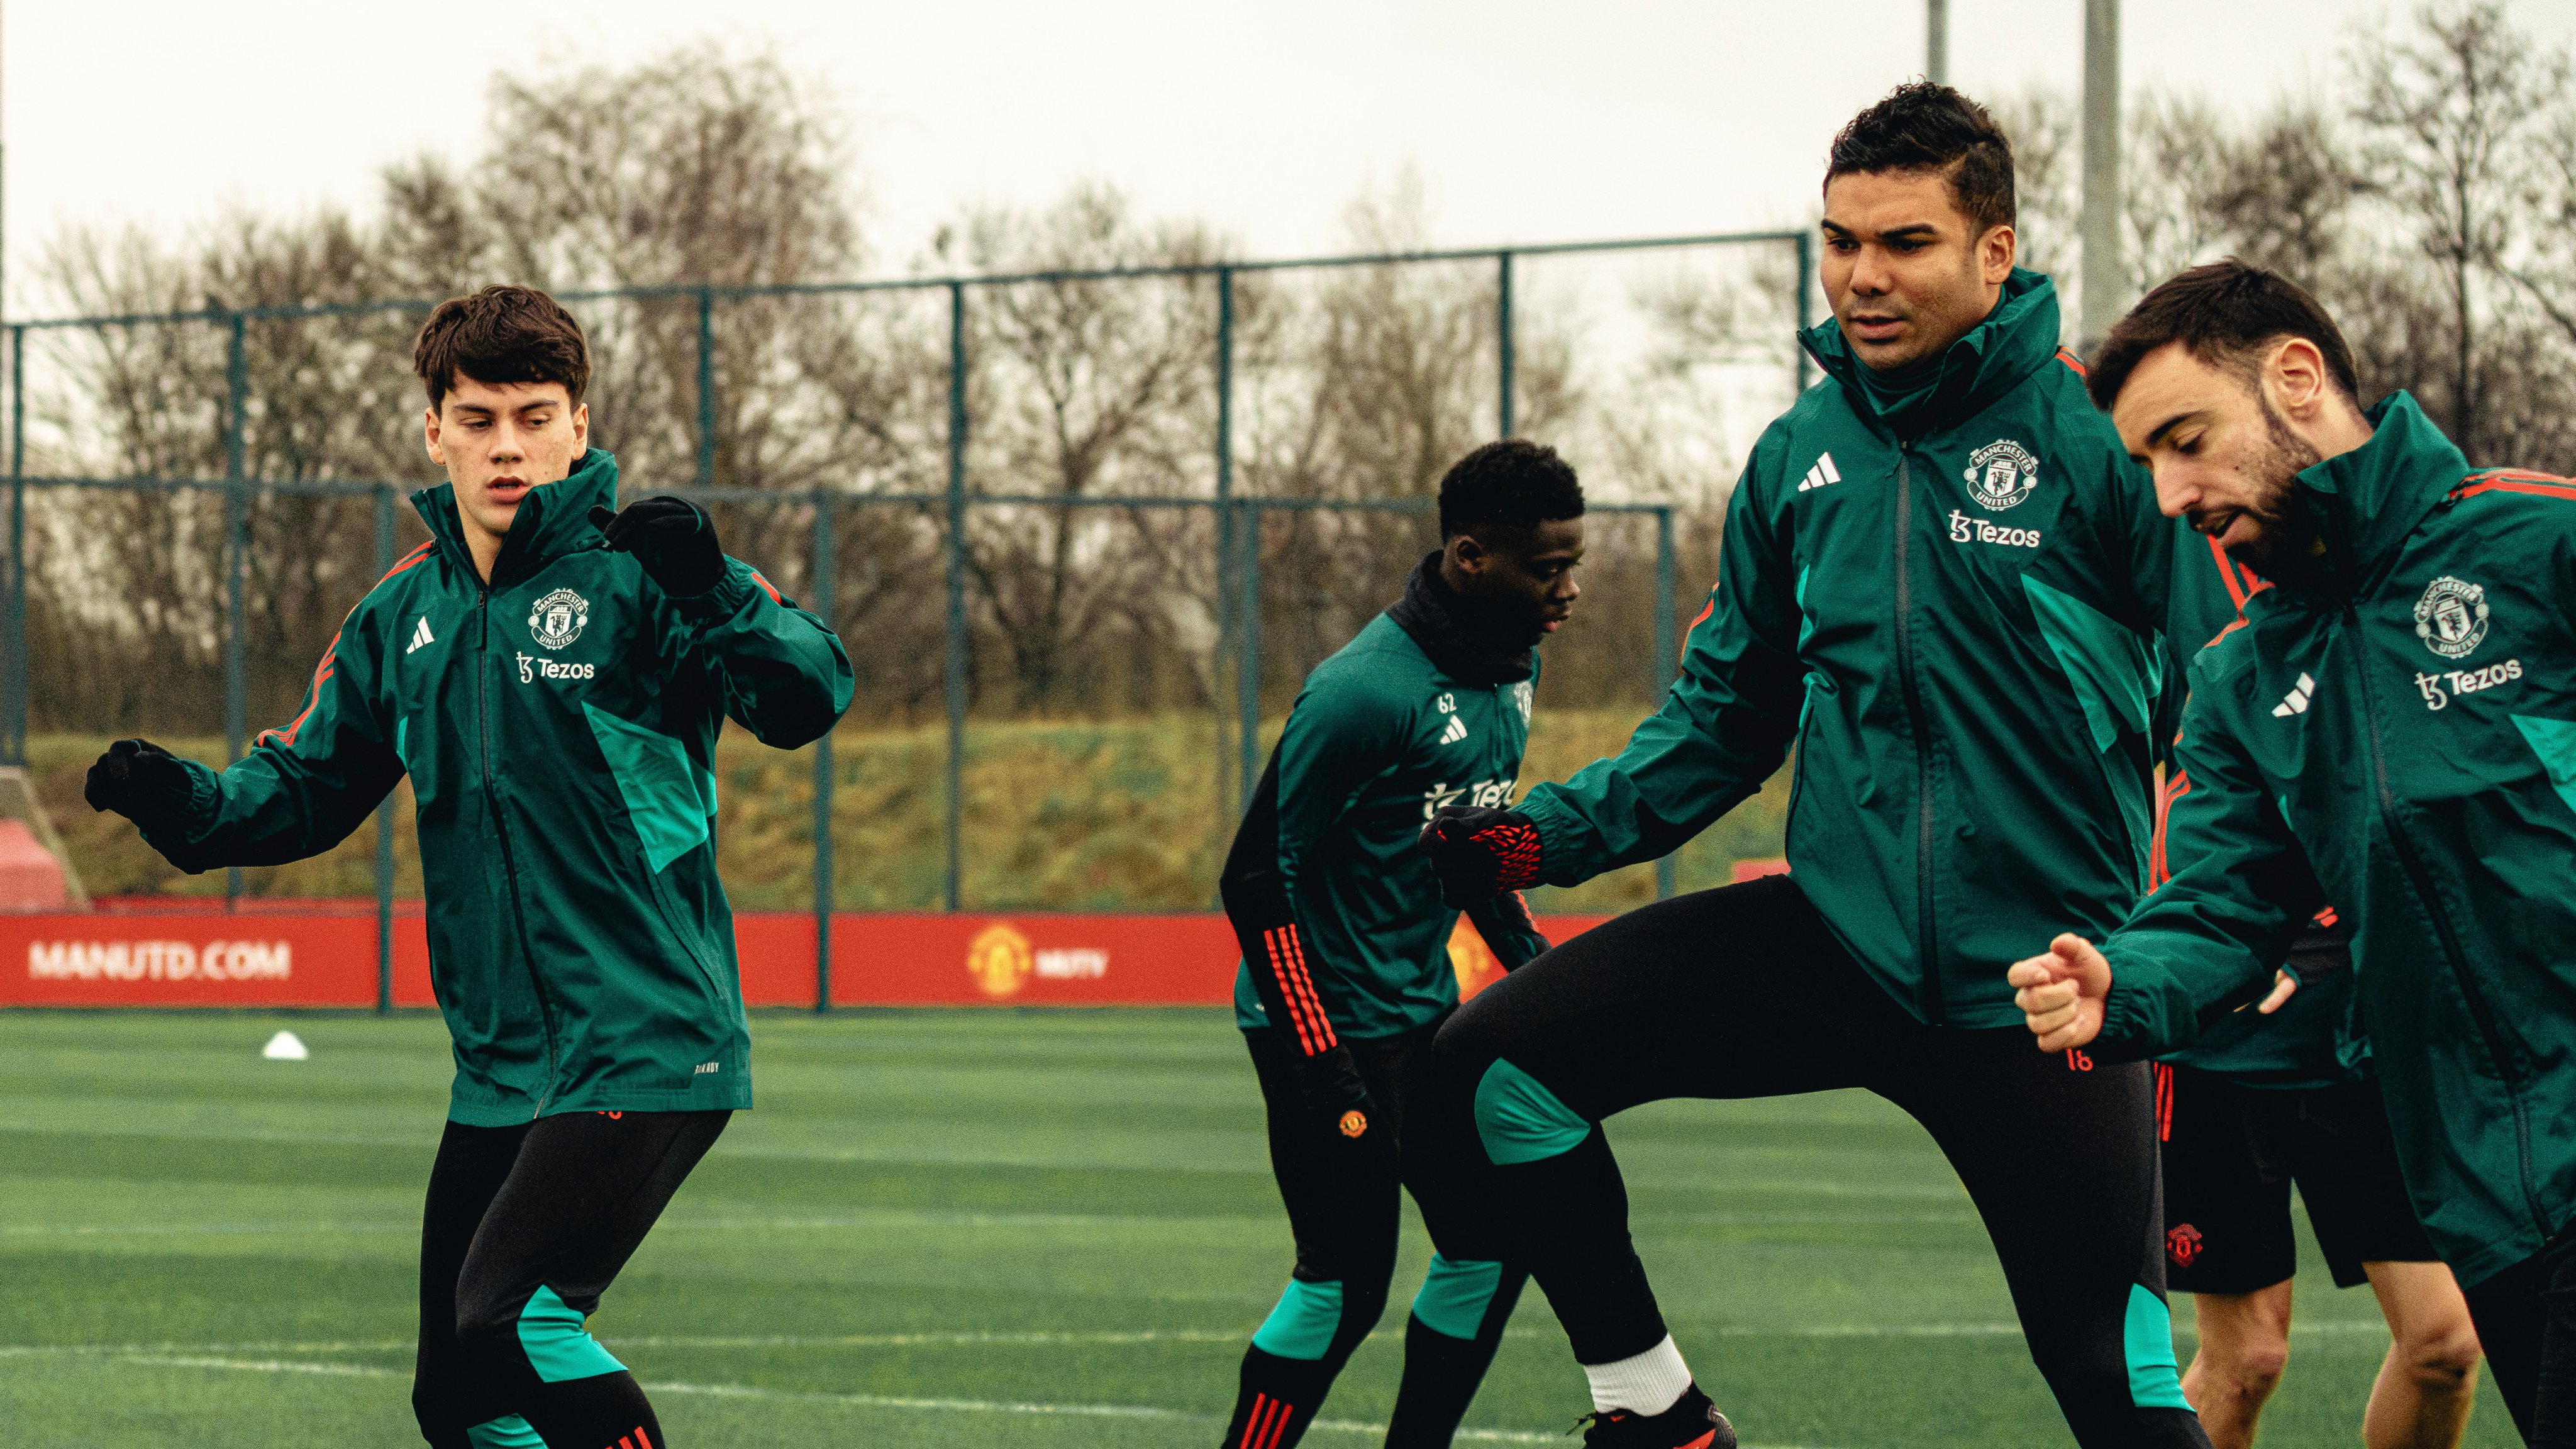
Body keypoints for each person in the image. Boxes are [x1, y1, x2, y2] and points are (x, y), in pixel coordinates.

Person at [1419, 83, 2211, 1448]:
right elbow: (1725, 720)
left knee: (2119, 1386)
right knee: (1493, 1067)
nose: (1859, 275)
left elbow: (2230, 717)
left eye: (1902, 242)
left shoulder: (2103, 443)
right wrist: (1540, 838)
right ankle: (1654, 1413)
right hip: (1831, 937)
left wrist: (2187, 941)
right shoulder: (1799, 455)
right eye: (1839, 241)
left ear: (1991, 253)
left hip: (2038, 979)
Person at [80, 284, 853, 1449]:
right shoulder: (403, 616)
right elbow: (300, 792)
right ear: (432, 430)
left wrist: (715, 584)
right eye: (480, 418)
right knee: (459, 1397)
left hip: (646, 1035)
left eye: (535, 417)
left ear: (580, 427)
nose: (509, 447)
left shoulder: (646, 578)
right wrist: (177, 799)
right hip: (502, 1069)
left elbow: (806, 696)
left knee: (517, 1322)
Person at [2007, 258, 2574, 1444]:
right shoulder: (2243, 679)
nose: (2170, 494)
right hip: (2496, 1206)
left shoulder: (2541, 547)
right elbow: (2220, 906)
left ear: (2297, 380)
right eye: (2148, 462)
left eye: (2187, 439)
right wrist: (2123, 984)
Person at [1217, 439, 1582, 1449]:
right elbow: (1252, 877)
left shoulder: (1513, 667)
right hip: (1316, 1023)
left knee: (1485, 1251)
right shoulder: (1362, 691)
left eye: (1571, 562)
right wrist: (1321, 1058)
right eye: (1547, 568)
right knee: (1343, 1284)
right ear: (1471, 558)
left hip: (1419, 1013)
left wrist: (1541, 976)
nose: (1572, 588)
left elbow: (1470, 853)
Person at [2150, 526, 2482, 1448]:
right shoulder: (2226, 656)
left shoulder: (2435, 629)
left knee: (2445, 1344)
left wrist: (2337, 940)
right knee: (2247, 1360)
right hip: (2222, 1049)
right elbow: (2194, 852)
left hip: (2366, 1042)